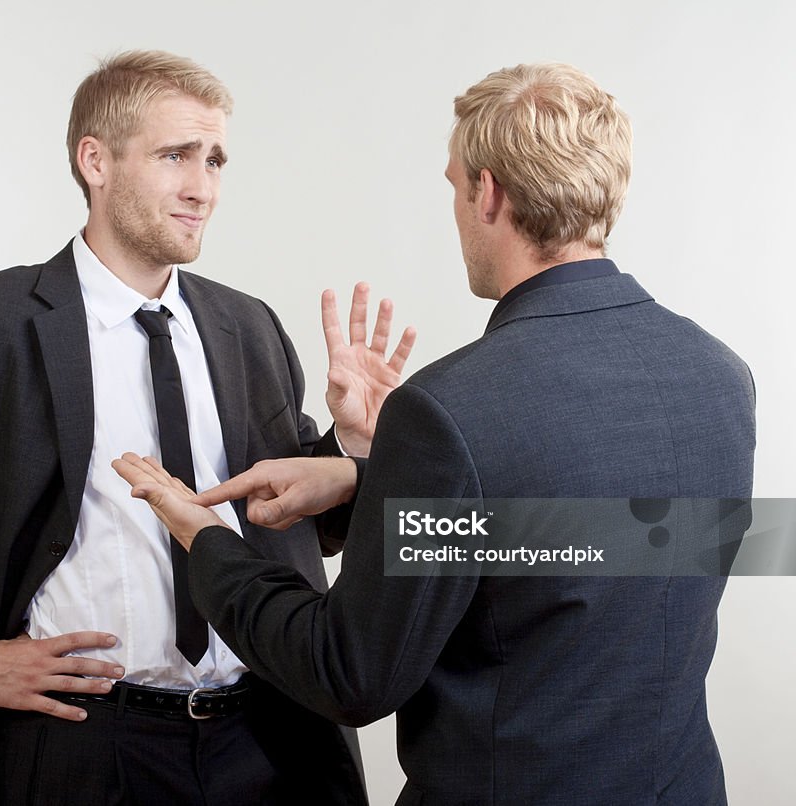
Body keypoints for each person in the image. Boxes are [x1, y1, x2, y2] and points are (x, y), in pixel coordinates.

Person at [114, 63, 757, 805]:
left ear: (487, 193)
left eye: (455, 186)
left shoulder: (451, 409)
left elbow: (349, 674)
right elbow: (617, 543)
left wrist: (206, 540)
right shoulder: (721, 374)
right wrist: (369, 478)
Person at [0, 50, 415, 805]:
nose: (203, 187)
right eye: (176, 155)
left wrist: (350, 446)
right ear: (96, 160)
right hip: (76, 747)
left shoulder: (248, 326)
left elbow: (287, 517)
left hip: (264, 742)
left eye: (215, 159)